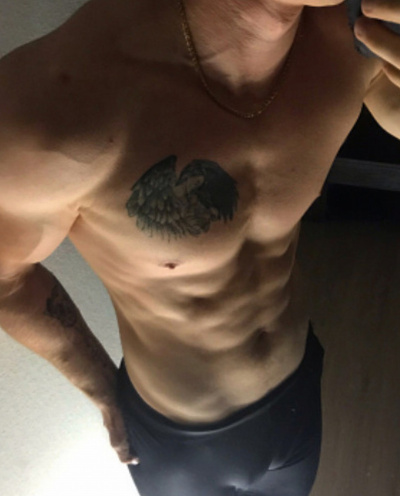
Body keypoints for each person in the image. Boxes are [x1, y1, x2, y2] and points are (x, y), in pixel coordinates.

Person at [0, 0, 399, 494]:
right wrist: (102, 385)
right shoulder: (47, 110)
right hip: (179, 443)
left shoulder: (351, 36)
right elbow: (7, 280)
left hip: (298, 390)